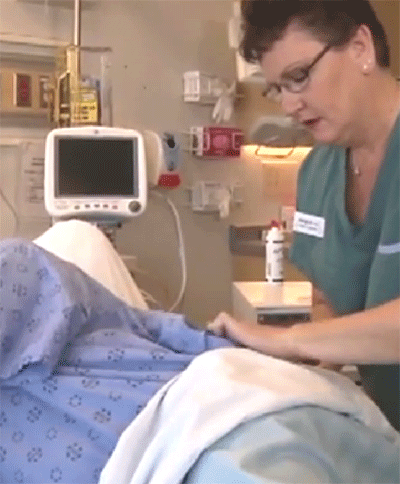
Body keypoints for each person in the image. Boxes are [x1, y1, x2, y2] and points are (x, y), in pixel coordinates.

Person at [208, 0, 400, 430]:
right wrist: (298, 383)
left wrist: (289, 340)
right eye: (277, 89)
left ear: (360, 47)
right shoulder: (318, 173)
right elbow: (328, 302)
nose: (290, 105)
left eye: (299, 77)